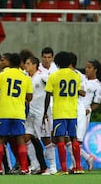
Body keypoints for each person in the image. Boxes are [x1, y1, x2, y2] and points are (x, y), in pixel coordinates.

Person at [0, 53, 33, 175]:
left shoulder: (3, 75)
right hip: (19, 113)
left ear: (9, 62)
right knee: (20, 139)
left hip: (4, 112)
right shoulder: (25, 77)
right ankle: (25, 168)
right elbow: (30, 97)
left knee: (0, 139)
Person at [43, 51, 83, 174]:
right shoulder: (76, 76)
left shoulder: (54, 76)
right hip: (72, 111)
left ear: (57, 62)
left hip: (59, 112)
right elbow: (77, 92)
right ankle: (78, 167)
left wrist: (45, 112)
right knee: (74, 138)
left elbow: (48, 96)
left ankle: (64, 169)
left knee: (60, 140)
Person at [24, 56, 50, 175]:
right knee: (26, 137)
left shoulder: (42, 76)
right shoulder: (26, 77)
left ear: (35, 65)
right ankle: (36, 165)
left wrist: (46, 110)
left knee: (42, 139)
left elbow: (51, 90)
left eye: (28, 63)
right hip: (30, 113)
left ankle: (47, 167)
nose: (26, 66)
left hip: (41, 113)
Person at [76, 59, 101, 171]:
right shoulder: (81, 78)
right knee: (68, 139)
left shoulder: (98, 85)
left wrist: (89, 110)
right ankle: (87, 158)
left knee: (77, 140)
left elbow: (96, 103)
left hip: (84, 113)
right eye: (86, 67)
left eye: (89, 67)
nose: (86, 69)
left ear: (95, 70)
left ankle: (75, 164)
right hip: (72, 110)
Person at [37, 47, 57, 175]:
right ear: (41, 57)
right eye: (44, 57)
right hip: (42, 108)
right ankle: (51, 166)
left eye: (49, 57)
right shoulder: (37, 68)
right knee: (44, 137)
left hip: (57, 107)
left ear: (52, 57)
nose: (47, 60)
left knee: (58, 137)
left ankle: (56, 165)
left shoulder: (57, 68)